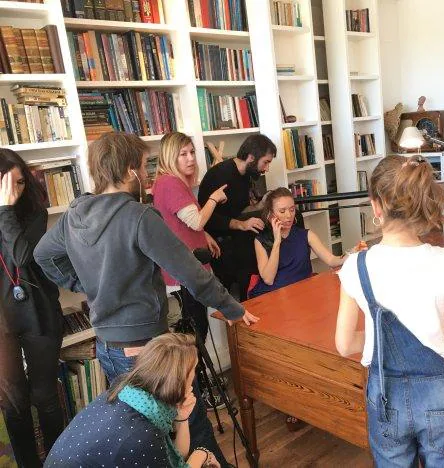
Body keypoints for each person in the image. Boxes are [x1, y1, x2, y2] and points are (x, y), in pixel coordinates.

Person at [33, 132, 258, 468]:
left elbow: (44, 255)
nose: (147, 174)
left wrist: (83, 283)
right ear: (128, 171)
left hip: (108, 348)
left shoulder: (74, 216)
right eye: (143, 166)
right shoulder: (139, 217)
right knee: (190, 425)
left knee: (151, 432)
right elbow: (192, 274)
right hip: (145, 350)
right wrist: (234, 309)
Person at [334, 155, 444, 467]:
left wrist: (377, 336)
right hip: (443, 395)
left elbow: (345, 345)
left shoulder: (355, 266)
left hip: (386, 397)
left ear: (376, 205)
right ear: (422, 204)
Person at [45, 333, 220, 467]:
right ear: (176, 384)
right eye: (192, 373)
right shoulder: (144, 434)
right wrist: (202, 453)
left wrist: (182, 418)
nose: (194, 380)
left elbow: (175, 456)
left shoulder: (123, 393)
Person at [0, 149, 64, 467]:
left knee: (45, 397)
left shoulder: (33, 211)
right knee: (13, 402)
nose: (16, 190)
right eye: (8, 184)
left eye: (21, 182)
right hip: (3, 319)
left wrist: (4, 211)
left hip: (39, 310)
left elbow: (22, 258)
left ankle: (56, 460)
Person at [153, 132, 227, 344]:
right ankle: (194, 378)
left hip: (185, 269)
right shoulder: (171, 183)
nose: (191, 158)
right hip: (183, 274)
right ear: (169, 157)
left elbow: (182, 221)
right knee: (195, 337)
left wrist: (205, 235)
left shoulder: (169, 182)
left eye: (192, 152)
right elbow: (196, 221)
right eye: (183, 154)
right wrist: (214, 198)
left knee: (195, 333)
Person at [197, 134, 276, 299]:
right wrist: (242, 225)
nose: (266, 169)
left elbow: (239, 209)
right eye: (266, 162)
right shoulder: (220, 175)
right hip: (219, 245)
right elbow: (208, 219)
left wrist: (261, 206)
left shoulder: (246, 175)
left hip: (237, 240)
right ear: (251, 157)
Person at [249, 187, 345, 299]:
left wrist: (351, 255)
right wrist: (277, 242)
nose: (289, 215)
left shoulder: (306, 235)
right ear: (271, 215)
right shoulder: (261, 240)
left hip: (301, 291)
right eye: (282, 211)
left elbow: (331, 260)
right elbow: (268, 279)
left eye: (292, 209)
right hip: (273, 294)